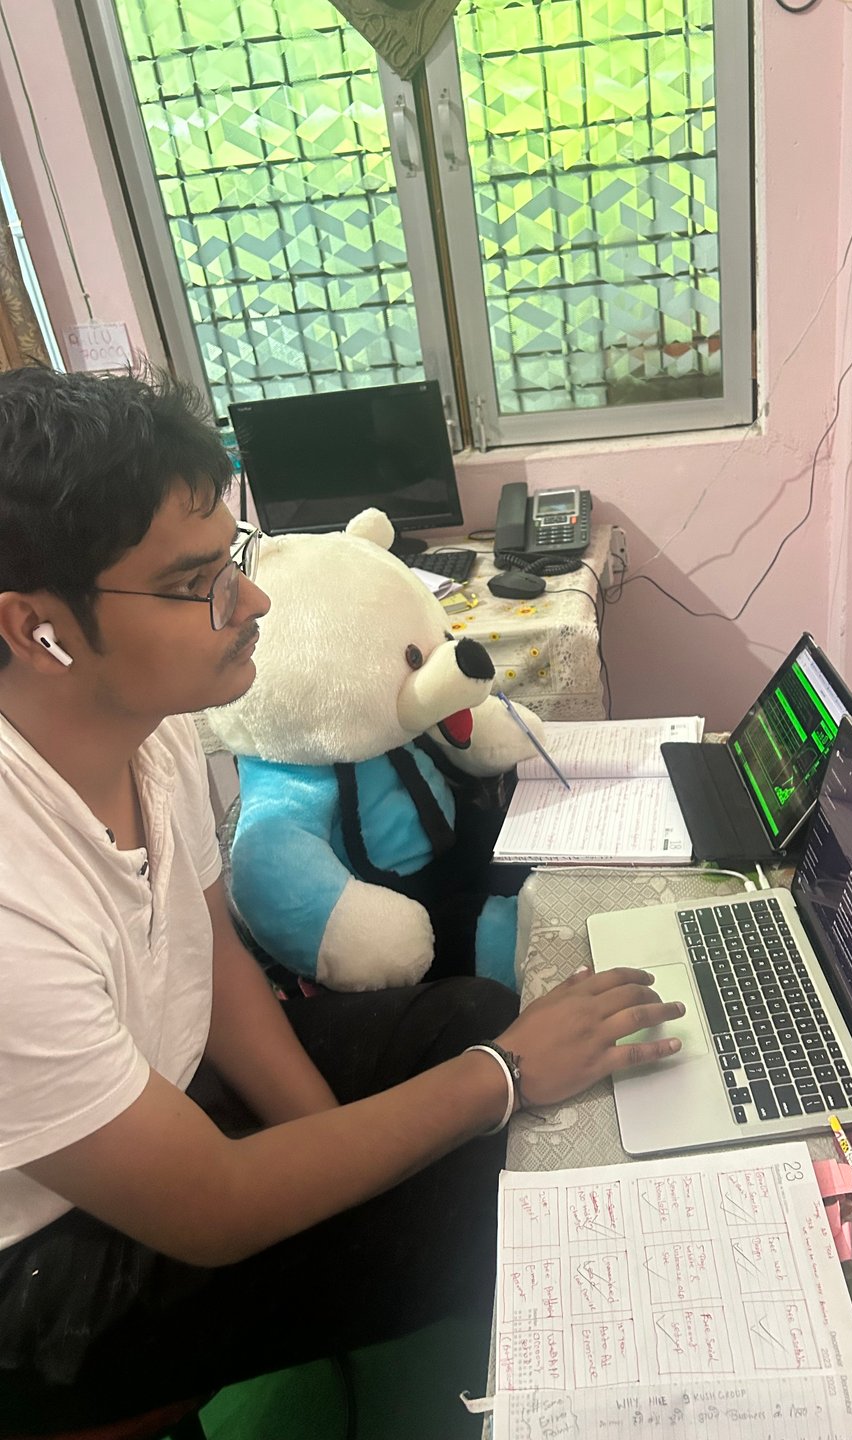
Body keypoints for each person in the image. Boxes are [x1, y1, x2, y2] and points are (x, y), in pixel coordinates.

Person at [0, 366, 685, 1433]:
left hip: (167, 1104)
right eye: (197, 584)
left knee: (473, 1015)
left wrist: (338, 1137)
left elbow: (209, 954)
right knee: (490, 1182)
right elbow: (211, 1207)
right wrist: (500, 1078)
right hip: (51, 1271)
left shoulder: (149, 727)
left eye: (234, 559)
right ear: (39, 630)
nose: (254, 602)